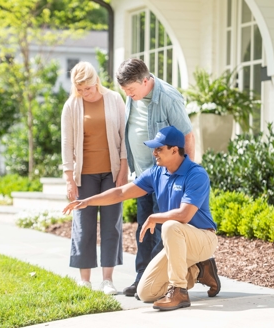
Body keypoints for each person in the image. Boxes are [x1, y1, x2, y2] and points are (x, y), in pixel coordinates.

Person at [63, 126, 221, 310]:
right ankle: (199, 269)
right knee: (146, 292)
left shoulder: (196, 174)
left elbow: (184, 215)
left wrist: (155, 217)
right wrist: (88, 201)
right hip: (177, 243)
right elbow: (121, 192)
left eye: (159, 149)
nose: (154, 153)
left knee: (170, 226)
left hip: (203, 239)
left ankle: (179, 291)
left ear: (175, 150)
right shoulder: (157, 173)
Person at [115, 58, 195, 297]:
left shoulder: (169, 98)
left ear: (146, 80)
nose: (128, 94)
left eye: (131, 89)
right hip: (143, 175)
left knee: (163, 229)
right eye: (124, 91)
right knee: (145, 228)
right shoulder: (133, 96)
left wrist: (186, 176)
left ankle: (158, 281)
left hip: (168, 177)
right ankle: (142, 277)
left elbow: (188, 137)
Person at [61, 61, 128, 295]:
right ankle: (84, 279)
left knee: (112, 224)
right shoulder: (71, 106)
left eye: (87, 88)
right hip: (84, 175)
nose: (84, 93)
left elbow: (124, 136)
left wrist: (123, 169)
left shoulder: (114, 99)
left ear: (96, 81)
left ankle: (107, 280)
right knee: (83, 225)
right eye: (79, 89)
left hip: (111, 172)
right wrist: (69, 178)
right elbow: (67, 144)